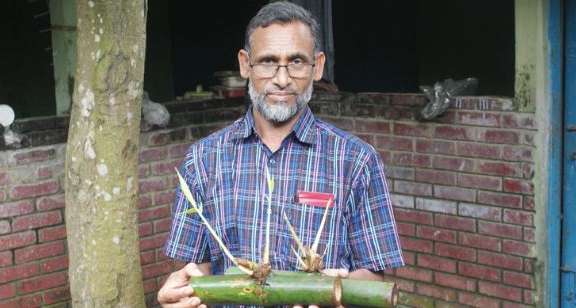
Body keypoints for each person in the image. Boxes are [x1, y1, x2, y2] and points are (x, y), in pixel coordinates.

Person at [158, 2, 404, 307]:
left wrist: (340, 291)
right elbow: (195, 270)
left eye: (297, 61)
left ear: (318, 66)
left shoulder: (356, 161)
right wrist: (180, 295)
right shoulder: (204, 160)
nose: (282, 78)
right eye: (268, 61)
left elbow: (376, 278)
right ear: (245, 64)